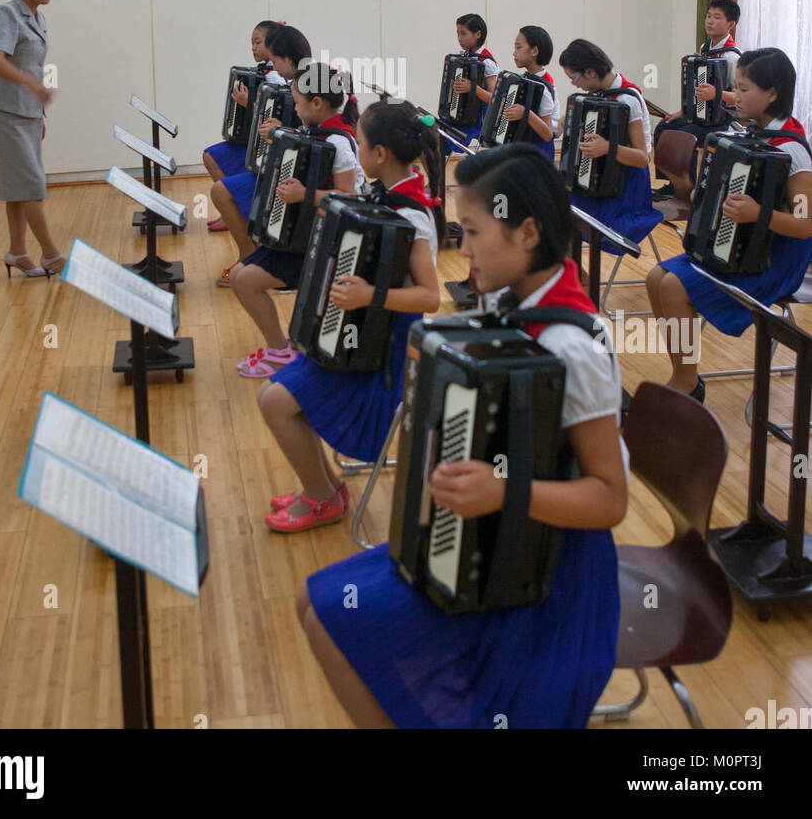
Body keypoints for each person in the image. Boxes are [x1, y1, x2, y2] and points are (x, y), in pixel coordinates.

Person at [296, 144, 626, 729]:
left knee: (328, 614)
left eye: (472, 233)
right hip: (495, 538)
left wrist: (503, 491)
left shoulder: (575, 345)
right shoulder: (512, 302)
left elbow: (609, 498)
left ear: (528, 233)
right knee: (316, 604)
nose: (464, 251)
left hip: (553, 575)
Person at [257, 102, 443, 532]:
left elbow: (430, 298)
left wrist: (368, 295)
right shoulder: (388, 193)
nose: (356, 152)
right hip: (355, 334)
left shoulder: (412, 213)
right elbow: (352, 210)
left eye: (359, 145)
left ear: (379, 154)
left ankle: (322, 498)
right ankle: (323, 488)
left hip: (385, 354)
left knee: (275, 403)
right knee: (275, 396)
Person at [647, 48, 812, 401]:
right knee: (655, 277)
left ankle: (687, 382)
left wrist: (757, 215)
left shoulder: (793, 151)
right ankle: (685, 372)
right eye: (735, 87)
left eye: (744, 89)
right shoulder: (748, 133)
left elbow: (804, 225)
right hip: (740, 247)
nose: (735, 97)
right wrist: (704, 197)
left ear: (772, 94)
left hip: (775, 262)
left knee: (675, 287)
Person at [231, 61, 363, 374]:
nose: (298, 111)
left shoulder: (339, 142)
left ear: (317, 102)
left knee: (245, 282)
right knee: (239, 275)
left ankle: (280, 352)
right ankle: (282, 347)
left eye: (300, 104)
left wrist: (306, 195)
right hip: (297, 233)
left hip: (320, 242)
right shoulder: (316, 132)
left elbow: (351, 198)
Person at [211, 24, 312, 287]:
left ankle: (251, 251)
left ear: (288, 59)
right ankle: (251, 238)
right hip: (280, 166)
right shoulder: (294, 83)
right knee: (219, 180)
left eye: (276, 59)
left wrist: (278, 128)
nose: (273, 66)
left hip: (294, 176)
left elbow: (314, 137)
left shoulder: (309, 86)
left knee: (221, 191)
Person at [0, 0, 64, 277]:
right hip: (5, 112)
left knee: (18, 187)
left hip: (27, 114)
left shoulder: (38, 17)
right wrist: (33, 86)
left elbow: (32, 63)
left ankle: (17, 252)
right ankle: (51, 255)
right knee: (32, 185)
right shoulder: (6, 14)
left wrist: (38, 113)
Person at [558, 38, 661, 256]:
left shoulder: (629, 100)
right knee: (553, 201)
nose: (575, 85)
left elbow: (642, 158)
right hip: (599, 177)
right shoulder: (597, 95)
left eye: (574, 78)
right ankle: (576, 275)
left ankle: (578, 276)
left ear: (590, 72)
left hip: (627, 185)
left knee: (562, 210)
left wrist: (607, 148)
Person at [652, 0, 742, 199]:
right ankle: (672, 183)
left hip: (725, 119)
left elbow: (741, 97)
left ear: (731, 24)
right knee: (664, 127)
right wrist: (684, 111)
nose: (709, 21)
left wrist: (716, 95)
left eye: (717, 17)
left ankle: (689, 187)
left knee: (686, 134)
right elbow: (698, 90)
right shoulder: (704, 48)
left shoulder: (733, 58)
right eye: (708, 16)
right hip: (702, 115)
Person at [202, 20, 282, 231]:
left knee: (213, 158)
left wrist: (248, 104)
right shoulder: (264, 72)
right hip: (256, 140)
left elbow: (273, 116)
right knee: (210, 155)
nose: (253, 47)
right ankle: (231, 211)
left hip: (267, 146)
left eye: (258, 42)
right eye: (251, 43)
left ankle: (235, 212)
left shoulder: (277, 77)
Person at [441, 13, 499, 155]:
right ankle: (438, 177)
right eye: (458, 33)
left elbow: (495, 99)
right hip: (462, 116)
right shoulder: (465, 57)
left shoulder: (487, 62)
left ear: (478, 34)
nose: (460, 38)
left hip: (478, 121)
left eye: (464, 34)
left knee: (438, 138)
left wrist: (472, 88)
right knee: (432, 133)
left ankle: (438, 177)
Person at [506, 25, 561, 159]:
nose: (514, 53)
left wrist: (525, 114)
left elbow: (548, 134)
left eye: (518, 47)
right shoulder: (526, 79)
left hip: (540, 154)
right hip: (525, 149)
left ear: (534, 51)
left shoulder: (543, 87)